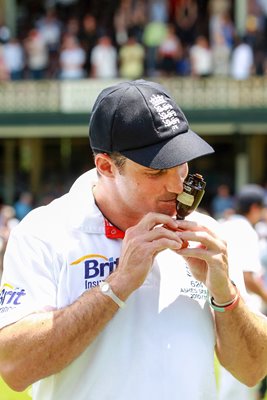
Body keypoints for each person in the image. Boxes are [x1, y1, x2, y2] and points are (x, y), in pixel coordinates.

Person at [0, 80, 267, 400]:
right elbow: (14, 368)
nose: (176, 184)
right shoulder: (46, 232)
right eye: (156, 172)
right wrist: (119, 284)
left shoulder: (206, 232)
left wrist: (225, 295)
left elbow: (252, 370)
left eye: (181, 162)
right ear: (106, 166)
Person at [218, 184, 267, 400]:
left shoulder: (225, 224)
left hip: (220, 300)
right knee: (241, 378)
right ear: (255, 208)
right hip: (243, 303)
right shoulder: (247, 230)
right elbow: (248, 278)